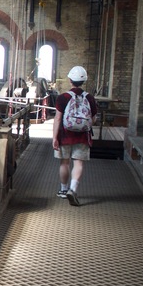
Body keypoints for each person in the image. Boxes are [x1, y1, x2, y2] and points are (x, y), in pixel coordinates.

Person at [52, 66, 97, 206]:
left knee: (64, 162)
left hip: (65, 135)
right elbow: (93, 119)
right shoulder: (89, 98)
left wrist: (54, 137)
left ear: (70, 80)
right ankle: (73, 189)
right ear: (83, 81)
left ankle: (63, 190)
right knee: (78, 163)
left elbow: (58, 119)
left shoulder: (62, 97)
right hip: (82, 136)